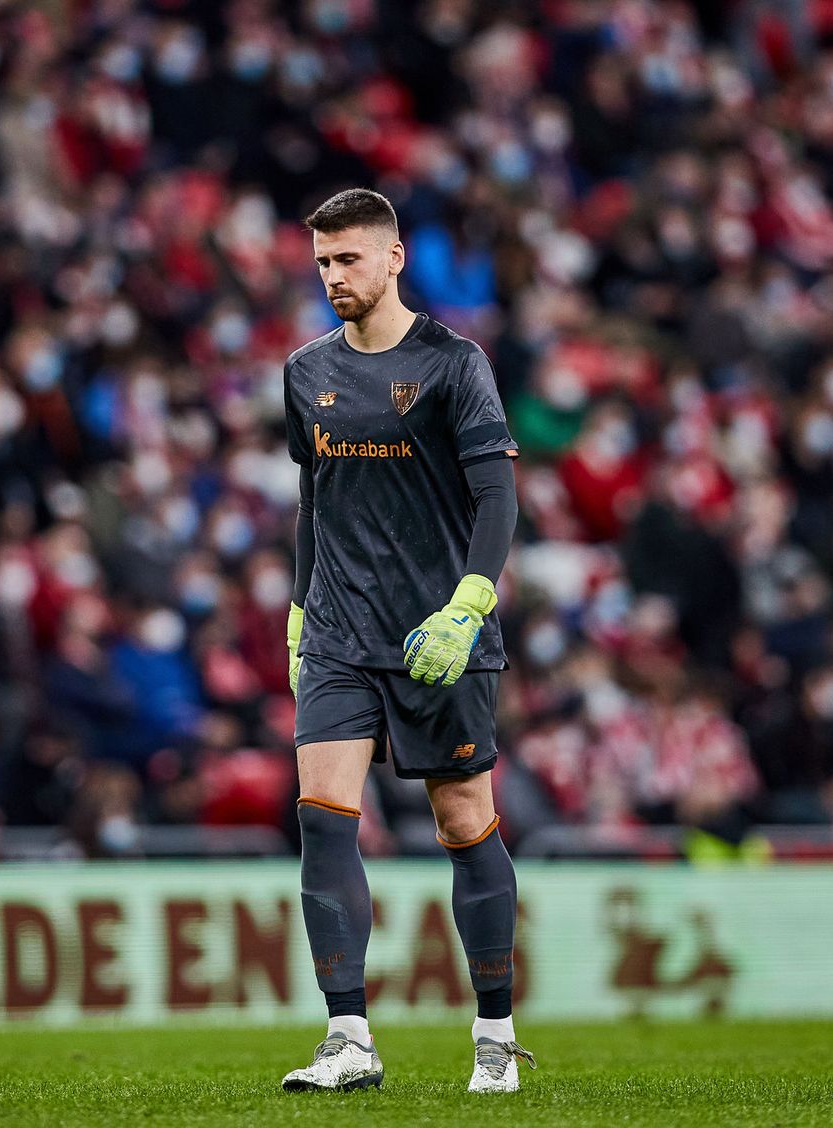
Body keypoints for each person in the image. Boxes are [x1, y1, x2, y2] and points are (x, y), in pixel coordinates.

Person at [278, 189, 530, 1094]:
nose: (333, 277)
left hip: (439, 635)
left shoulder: (455, 365)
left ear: (393, 260)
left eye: (348, 260)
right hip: (343, 629)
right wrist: (302, 611)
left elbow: (497, 495)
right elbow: (314, 497)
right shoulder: (305, 371)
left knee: (464, 822)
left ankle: (494, 1033)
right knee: (320, 817)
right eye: (322, 264)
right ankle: (349, 1038)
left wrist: (469, 604)